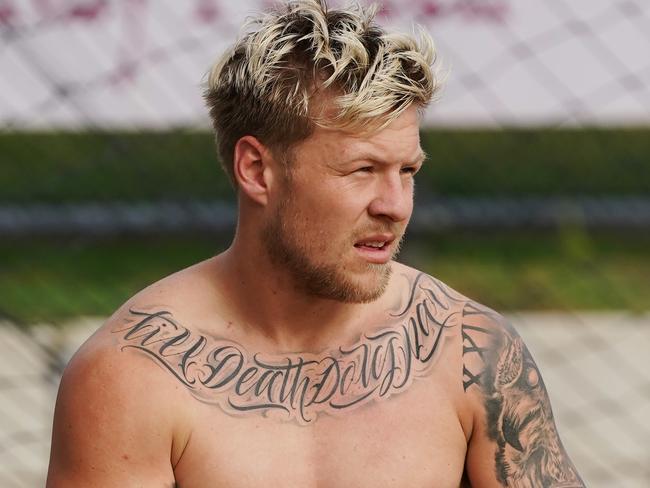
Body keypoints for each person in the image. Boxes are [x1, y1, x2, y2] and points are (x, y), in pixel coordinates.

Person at [47, 1, 585, 486]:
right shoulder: (132, 376)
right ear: (257, 169)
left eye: (407, 170)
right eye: (362, 170)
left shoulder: (470, 353)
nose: (395, 205)